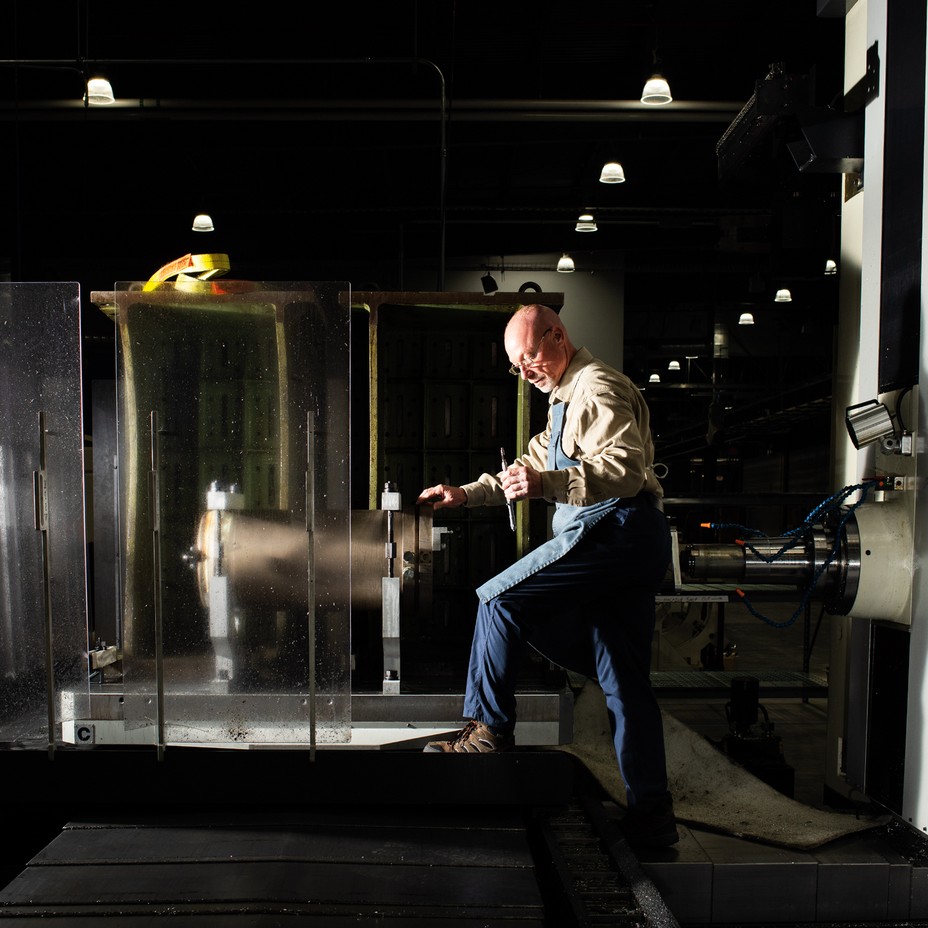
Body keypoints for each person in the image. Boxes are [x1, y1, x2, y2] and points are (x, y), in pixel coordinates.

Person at [416, 303, 677, 847]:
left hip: (616, 530)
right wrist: (465, 493)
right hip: (624, 542)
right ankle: (653, 818)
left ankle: (487, 731)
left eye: (530, 355)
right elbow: (522, 472)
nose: (525, 369)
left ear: (558, 336)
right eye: (517, 365)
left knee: (498, 601)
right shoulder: (562, 402)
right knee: (625, 684)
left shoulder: (597, 388)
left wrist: (548, 488)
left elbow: (625, 473)